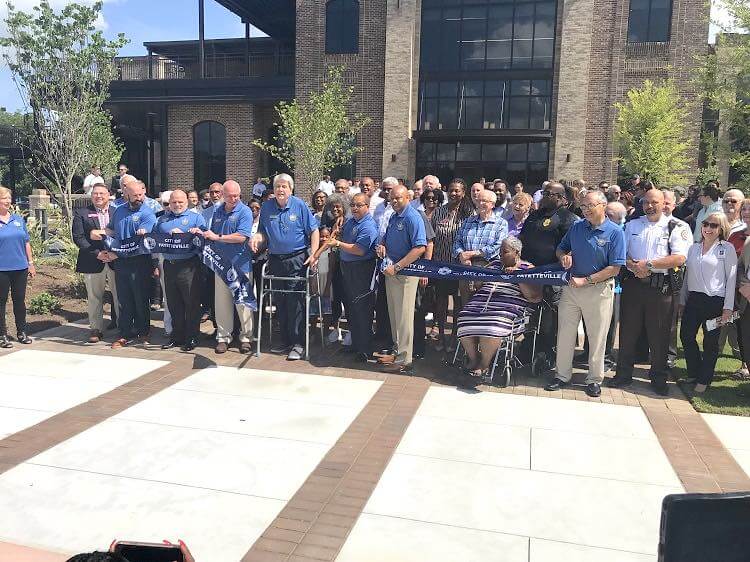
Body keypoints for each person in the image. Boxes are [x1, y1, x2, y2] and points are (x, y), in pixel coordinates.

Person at [606, 189, 691, 395]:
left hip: (660, 288)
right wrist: (632, 265)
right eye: (646, 202)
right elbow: (621, 252)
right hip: (633, 285)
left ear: (664, 204)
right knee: (627, 332)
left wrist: (649, 265)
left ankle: (659, 378)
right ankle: (623, 375)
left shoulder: (678, 226)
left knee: (660, 335)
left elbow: (680, 258)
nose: (649, 206)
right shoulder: (633, 225)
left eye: (654, 202)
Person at [545, 190, 625, 398]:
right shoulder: (576, 227)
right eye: (583, 207)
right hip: (572, 288)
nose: (585, 210)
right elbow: (561, 249)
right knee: (565, 333)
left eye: (590, 206)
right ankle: (562, 376)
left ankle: (594, 379)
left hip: (597, 290)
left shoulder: (615, 232)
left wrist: (587, 280)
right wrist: (564, 257)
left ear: (603, 206)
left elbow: (615, 268)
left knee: (597, 336)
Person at [251, 173, 320, 360]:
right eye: (277, 186)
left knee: (295, 302)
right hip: (275, 259)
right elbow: (262, 232)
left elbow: (314, 231)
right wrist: (258, 238)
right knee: (279, 301)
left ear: (290, 189)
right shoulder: (266, 207)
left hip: (297, 259)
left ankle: (298, 343)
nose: (280, 190)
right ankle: (285, 340)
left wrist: (314, 254)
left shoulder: (300, 206)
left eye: (284, 186)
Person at [457, 236, 542, 382]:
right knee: (464, 316)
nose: (501, 255)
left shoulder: (527, 268)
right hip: (482, 302)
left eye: (505, 252)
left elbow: (534, 297)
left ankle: (485, 364)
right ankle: (474, 358)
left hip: (507, 306)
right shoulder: (493, 265)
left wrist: (517, 277)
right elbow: (478, 285)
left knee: (491, 324)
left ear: (517, 252)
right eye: (500, 252)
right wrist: (479, 281)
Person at [518, 181, 577, 368]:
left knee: (551, 317)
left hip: (554, 276)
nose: (544, 196)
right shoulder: (535, 215)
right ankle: (528, 347)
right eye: (544, 192)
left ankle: (547, 352)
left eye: (549, 194)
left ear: (560, 198)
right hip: (531, 273)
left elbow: (570, 248)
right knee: (530, 313)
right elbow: (523, 239)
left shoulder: (568, 218)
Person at [679, 212, 737, 393]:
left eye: (714, 225)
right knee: (686, 336)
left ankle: (704, 379)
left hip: (715, 302)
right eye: (706, 224)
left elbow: (732, 279)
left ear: (721, 229)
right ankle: (694, 373)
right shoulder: (694, 248)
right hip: (694, 300)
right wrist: (682, 300)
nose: (708, 228)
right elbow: (687, 277)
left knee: (710, 342)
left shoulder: (726, 249)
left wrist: (728, 308)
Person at [194, 180, 254, 354]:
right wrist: (201, 233)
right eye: (230, 196)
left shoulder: (245, 211)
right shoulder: (218, 211)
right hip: (221, 264)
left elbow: (242, 237)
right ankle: (223, 337)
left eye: (236, 195)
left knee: (243, 303)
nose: (234, 199)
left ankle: (246, 337)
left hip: (240, 265)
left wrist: (218, 237)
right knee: (222, 304)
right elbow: (210, 233)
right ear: (223, 195)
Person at [375, 185, 426, 374]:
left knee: (404, 318)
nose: (394, 201)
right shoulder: (394, 216)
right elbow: (388, 240)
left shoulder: (413, 217)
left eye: (398, 198)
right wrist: (382, 246)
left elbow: (420, 247)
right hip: (391, 272)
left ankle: (405, 359)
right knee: (395, 315)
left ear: (407, 197)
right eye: (391, 198)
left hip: (404, 273)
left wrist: (397, 266)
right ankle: (397, 352)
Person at [101, 181, 158, 349]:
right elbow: (111, 230)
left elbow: (142, 237)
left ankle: (144, 331)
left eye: (141, 195)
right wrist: (101, 234)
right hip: (121, 262)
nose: (139, 198)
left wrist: (142, 231)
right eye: (135, 195)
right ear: (126, 194)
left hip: (139, 260)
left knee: (140, 298)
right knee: (124, 299)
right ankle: (124, 333)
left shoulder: (147, 213)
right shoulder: (119, 211)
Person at [329, 193, 379, 362]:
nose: (355, 208)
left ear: (367, 206)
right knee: (351, 308)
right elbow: (342, 234)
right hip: (347, 269)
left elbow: (359, 250)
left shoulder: (368, 226)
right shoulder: (351, 221)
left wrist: (338, 244)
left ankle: (365, 349)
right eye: (353, 205)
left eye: (359, 205)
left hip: (362, 270)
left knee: (362, 309)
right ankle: (356, 344)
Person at [154, 190, 206, 352]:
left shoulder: (196, 218)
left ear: (187, 202)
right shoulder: (162, 219)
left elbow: (204, 237)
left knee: (191, 303)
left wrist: (193, 233)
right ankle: (177, 337)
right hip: (169, 264)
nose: (177, 205)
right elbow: (154, 240)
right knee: (173, 303)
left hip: (189, 265)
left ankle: (191, 337)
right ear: (169, 202)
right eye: (174, 202)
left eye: (180, 202)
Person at [431, 179, 474, 351]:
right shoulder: (438, 212)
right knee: (440, 302)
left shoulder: (469, 214)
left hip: (458, 267)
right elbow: (431, 239)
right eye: (451, 190)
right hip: (440, 265)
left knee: (458, 303)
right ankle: (441, 336)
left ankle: (454, 337)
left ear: (463, 193)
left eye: (457, 191)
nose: (454, 193)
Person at [73, 183, 119, 343]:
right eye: (95, 194)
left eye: (102, 193)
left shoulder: (117, 212)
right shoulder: (82, 213)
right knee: (94, 297)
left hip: (115, 260)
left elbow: (123, 234)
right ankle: (96, 329)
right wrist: (97, 253)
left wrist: (115, 253)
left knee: (119, 295)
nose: (98, 196)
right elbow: (79, 237)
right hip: (92, 261)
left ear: (109, 195)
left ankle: (123, 328)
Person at [454, 189, 509, 303]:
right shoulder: (468, 221)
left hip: (488, 268)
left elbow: (497, 246)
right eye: (478, 200)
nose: (480, 203)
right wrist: (461, 255)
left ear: (492, 204)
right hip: (466, 268)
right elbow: (457, 241)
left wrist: (473, 253)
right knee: (466, 304)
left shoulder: (501, 223)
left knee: (485, 304)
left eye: (484, 201)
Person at [0, 185, 35, 348]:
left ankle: (22, 332)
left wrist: (30, 263)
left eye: (9, 198)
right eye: (4, 198)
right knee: (1, 302)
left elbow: (26, 242)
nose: (7, 201)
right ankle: (2, 335)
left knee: (19, 302)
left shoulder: (18, 220)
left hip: (20, 268)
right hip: (2, 269)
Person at [319, 193, 350, 343]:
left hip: (347, 266)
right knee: (336, 299)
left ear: (344, 207)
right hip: (335, 265)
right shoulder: (333, 223)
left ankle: (350, 331)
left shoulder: (348, 222)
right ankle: (336, 330)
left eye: (338, 206)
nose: (335, 209)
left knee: (347, 299)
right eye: (332, 206)